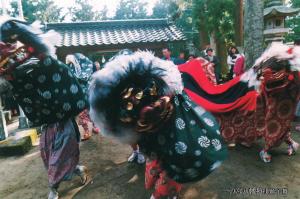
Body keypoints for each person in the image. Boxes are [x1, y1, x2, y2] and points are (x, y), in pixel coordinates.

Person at [0, 18, 89, 199]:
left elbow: (68, 87)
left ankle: (53, 188)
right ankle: (77, 171)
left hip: (65, 125)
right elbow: (23, 89)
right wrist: (10, 77)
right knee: (49, 158)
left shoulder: (53, 68)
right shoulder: (28, 79)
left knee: (58, 159)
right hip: (48, 127)